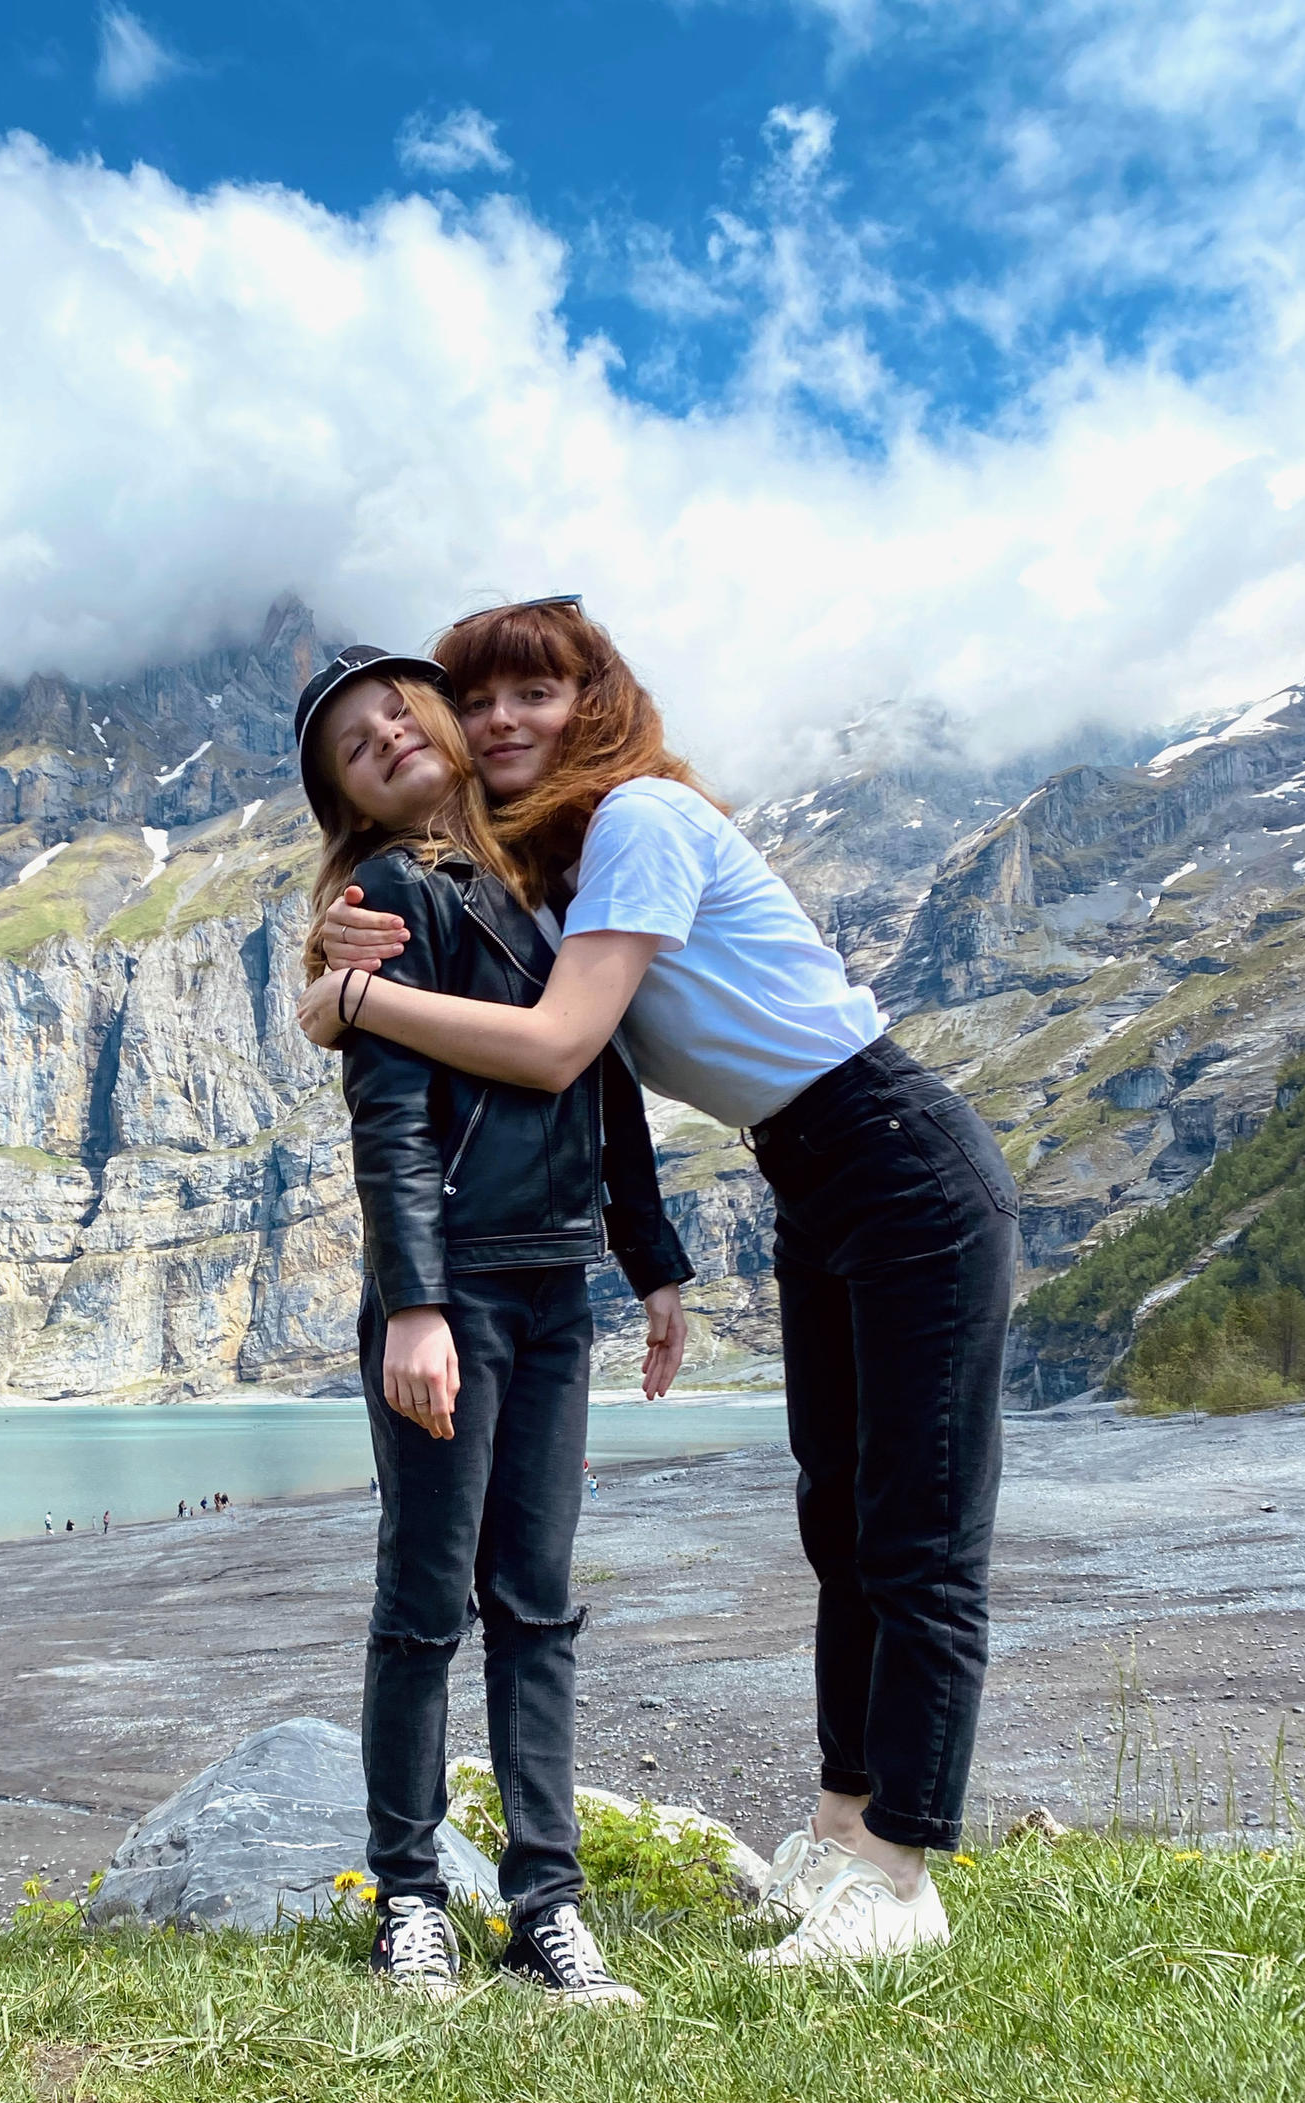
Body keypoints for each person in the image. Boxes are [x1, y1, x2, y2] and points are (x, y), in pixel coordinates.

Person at [301, 600, 1017, 1968]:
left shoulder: (635, 821)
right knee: (840, 1520)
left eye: (537, 695)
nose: (502, 720)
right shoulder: (539, 878)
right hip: (811, 1173)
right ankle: (841, 1836)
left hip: (900, 1159)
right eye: (482, 697)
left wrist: (358, 1004)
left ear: (597, 703)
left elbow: (565, 1047)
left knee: (918, 1531)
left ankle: (904, 1877)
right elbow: (590, 1071)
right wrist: (328, 995)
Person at [293, 642, 692, 2005]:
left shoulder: (546, 879)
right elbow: (390, 1120)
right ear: (344, 797)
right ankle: (409, 1895)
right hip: (450, 1294)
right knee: (424, 1605)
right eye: (354, 745)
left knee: (535, 1603)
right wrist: (413, 1306)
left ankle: (546, 1905)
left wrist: (651, 1260)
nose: (389, 737)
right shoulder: (391, 895)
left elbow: (607, 1083)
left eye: (400, 711)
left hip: (553, 1291)